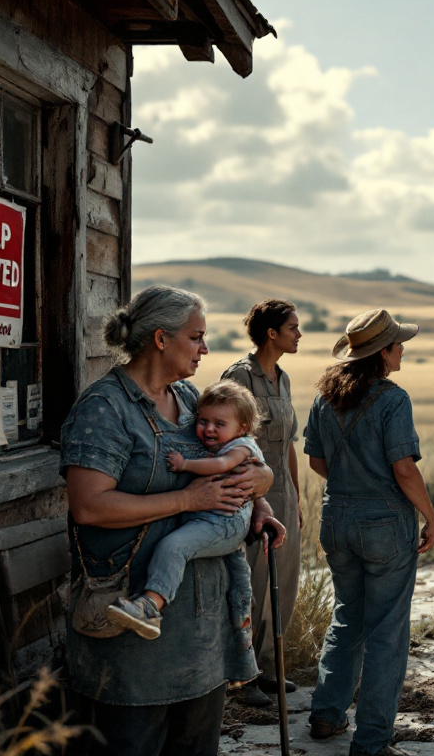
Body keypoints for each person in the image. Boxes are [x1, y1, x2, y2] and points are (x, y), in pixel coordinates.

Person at [60, 285, 285, 756]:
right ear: (161, 339)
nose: (205, 350)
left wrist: (257, 495)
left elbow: (229, 454)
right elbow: (89, 506)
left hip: (199, 628)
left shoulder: (187, 399)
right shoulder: (106, 409)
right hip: (131, 627)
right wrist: (188, 500)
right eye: (196, 338)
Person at [303, 309, 434, 756]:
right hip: (384, 525)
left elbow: (317, 463)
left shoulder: (325, 397)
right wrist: (429, 514)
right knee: (386, 631)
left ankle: (325, 715)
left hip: (335, 519)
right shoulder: (393, 400)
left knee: (347, 617)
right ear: (383, 353)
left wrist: (351, 489)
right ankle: (374, 740)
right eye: (398, 345)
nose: (402, 351)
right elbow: (404, 469)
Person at [105, 380, 264, 644]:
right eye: (202, 421)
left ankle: (151, 607)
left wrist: (185, 464)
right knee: (238, 580)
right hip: (216, 520)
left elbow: (223, 464)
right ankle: (241, 642)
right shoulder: (224, 438)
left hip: (223, 523)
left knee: (174, 547)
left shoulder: (242, 447)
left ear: (243, 427)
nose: (208, 429)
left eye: (219, 424)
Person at [222, 299, 303, 706]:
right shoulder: (241, 375)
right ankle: (241, 678)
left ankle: (269, 668)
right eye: (293, 328)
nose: (299, 334)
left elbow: (289, 443)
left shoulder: (283, 379)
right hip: (250, 498)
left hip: (284, 496)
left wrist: (298, 499)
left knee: (282, 585)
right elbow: (223, 435)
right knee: (250, 585)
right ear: (271, 333)